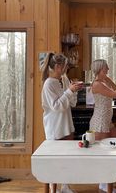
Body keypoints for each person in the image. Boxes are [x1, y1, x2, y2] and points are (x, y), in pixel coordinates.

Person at [41, 52, 83, 193]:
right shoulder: (48, 84)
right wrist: (69, 91)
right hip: (55, 128)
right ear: (58, 66)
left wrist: (74, 90)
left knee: (67, 159)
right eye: (65, 66)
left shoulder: (63, 79)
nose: (66, 68)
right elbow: (57, 107)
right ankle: (53, 190)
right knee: (55, 161)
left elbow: (72, 103)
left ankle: (65, 187)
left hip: (67, 126)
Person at [89, 59, 116, 193]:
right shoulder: (96, 84)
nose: (108, 69)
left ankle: (107, 179)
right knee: (105, 155)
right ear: (99, 70)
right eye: (105, 68)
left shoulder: (103, 81)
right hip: (100, 122)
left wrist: (109, 79)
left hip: (106, 121)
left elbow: (115, 89)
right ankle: (103, 184)